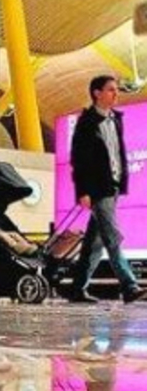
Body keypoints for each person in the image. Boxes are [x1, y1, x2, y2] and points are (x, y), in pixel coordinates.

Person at [68, 75, 146, 303]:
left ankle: (77, 288)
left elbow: (116, 154)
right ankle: (129, 286)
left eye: (116, 90)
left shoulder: (115, 120)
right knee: (112, 237)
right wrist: (82, 191)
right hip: (97, 189)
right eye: (111, 89)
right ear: (97, 93)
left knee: (95, 242)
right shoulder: (86, 123)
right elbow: (79, 160)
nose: (116, 94)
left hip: (113, 187)